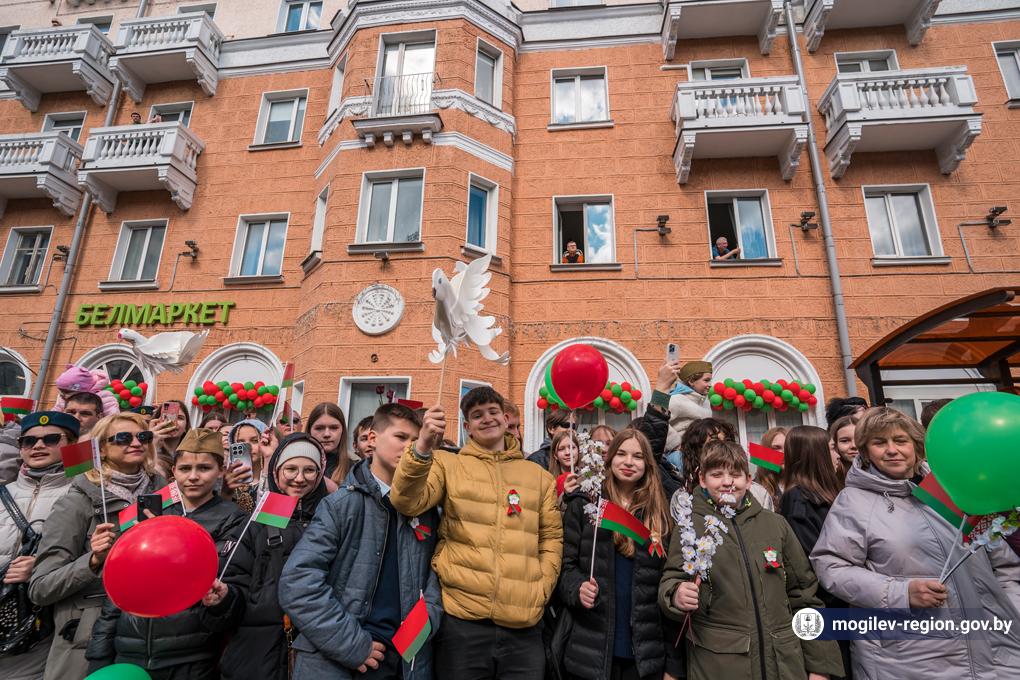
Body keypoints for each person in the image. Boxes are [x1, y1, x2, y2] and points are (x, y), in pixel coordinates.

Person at [811, 407, 1020, 679]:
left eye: (900, 440)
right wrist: (901, 593)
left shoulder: (951, 489)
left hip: (996, 650)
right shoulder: (854, 502)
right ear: (865, 452)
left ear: (916, 446)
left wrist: (1012, 610)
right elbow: (831, 568)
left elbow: (1003, 563)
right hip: (908, 659)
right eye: (879, 442)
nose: (892, 450)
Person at [390, 386, 563, 680]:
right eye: (477, 415)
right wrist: (421, 448)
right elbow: (407, 501)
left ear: (506, 419)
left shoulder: (540, 477)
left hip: (523, 625)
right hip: (462, 622)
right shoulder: (448, 463)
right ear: (467, 427)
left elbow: (551, 539)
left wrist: (540, 588)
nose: (487, 419)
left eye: (493, 412)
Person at [279, 403, 442, 678]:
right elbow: (298, 582)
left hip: (403, 662)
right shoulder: (341, 504)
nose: (409, 447)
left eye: (416, 441)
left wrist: (415, 637)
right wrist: (352, 644)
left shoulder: (426, 510)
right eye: (401, 437)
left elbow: (436, 582)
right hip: (340, 660)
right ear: (372, 439)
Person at [660, 440, 843, 680]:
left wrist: (820, 667)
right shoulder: (690, 527)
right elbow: (672, 579)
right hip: (720, 664)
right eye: (717, 474)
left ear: (748, 480)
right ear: (702, 480)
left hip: (783, 663)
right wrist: (676, 594)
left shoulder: (775, 525)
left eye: (735, 474)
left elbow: (804, 596)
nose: (727, 482)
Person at [85, 428, 246, 679]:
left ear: (220, 471)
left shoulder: (233, 519)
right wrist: (98, 658)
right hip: (128, 654)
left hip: (189, 659)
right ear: (173, 472)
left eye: (204, 468)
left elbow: (232, 592)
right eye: (185, 468)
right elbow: (118, 593)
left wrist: (222, 599)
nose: (193, 476)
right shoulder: (151, 514)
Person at [29, 412, 165, 680]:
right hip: (86, 642)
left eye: (143, 436)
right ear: (100, 448)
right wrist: (92, 560)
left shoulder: (164, 493)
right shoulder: (76, 502)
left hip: (150, 636)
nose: (136, 443)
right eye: (123, 438)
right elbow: (41, 587)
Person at [556, 429, 681, 680]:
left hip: (644, 654)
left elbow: (668, 586)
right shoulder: (585, 503)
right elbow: (565, 567)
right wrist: (577, 587)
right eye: (621, 454)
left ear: (647, 464)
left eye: (638, 456)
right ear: (610, 458)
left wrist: (673, 665)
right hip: (592, 650)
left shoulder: (659, 511)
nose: (628, 462)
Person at [202, 433, 329, 680]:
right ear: (276, 472)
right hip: (256, 659)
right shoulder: (255, 524)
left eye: (309, 470)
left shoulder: (331, 520)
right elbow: (234, 584)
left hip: (316, 656)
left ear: (320, 474)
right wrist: (224, 599)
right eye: (290, 469)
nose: (299, 478)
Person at [0, 411, 78, 680]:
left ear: (72, 444)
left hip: (39, 629)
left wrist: (43, 568)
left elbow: (93, 558)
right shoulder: (4, 491)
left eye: (51, 439)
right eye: (29, 441)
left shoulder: (81, 494)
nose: (38, 446)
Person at [665, 361, 713, 453]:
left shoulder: (705, 402)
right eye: (706, 380)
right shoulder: (676, 399)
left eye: (710, 380)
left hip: (697, 453)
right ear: (691, 381)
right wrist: (675, 443)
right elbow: (659, 421)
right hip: (680, 454)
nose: (710, 384)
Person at [306, 403, 350, 483]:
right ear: (309, 431)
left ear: (342, 431)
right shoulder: (294, 463)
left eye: (334, 428)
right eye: (319, 428)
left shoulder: (355, 470)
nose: (327, 434)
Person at [52, 365, 119, 418]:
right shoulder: (64, 399)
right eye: (60, 390)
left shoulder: (104, 397)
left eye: (67, 392)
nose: (62, 394)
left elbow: (113, 417)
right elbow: (55, 412)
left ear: (83, 390)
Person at [152, 400, 191, 478]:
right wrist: (151, 447)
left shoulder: (191, 455)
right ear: (157, 422)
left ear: (186, 427)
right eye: (167, 417)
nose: (173, 423)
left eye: (180, 418)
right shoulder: (145, 449)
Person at [753, 426, 786, 508]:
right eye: (776, 448)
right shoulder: (755, 488)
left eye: (787, 447)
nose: (783, 453)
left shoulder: (804, 484)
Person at [547, 429, 580, 499]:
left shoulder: (588, 478)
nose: (567, 453)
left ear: (578, 450)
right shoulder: (549, 482)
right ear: (555, 455)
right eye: (561, 449)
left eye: (572, 447)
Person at [828, 414, 859, 479]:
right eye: (845, 441)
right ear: (834, 444)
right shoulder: (828, 477)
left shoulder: (877, 472)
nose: (854, 445)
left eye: (858, 439)